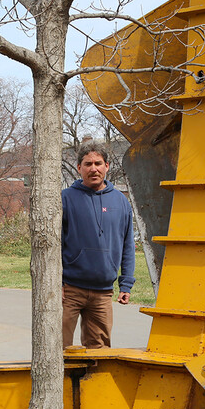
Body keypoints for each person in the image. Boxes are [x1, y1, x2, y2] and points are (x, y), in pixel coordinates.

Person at [61, 145, 135, 348]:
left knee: (99, 351)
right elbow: (54, 244)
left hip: (103, 292)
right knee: (59, 346)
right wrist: (56, 282)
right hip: (69, 290)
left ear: (107, 166)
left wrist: (126, 283)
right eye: (88, 164)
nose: (93, 169)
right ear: (79, 167)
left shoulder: (120, 201)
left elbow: (128, 245)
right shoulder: (65, 198)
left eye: (98, 163)